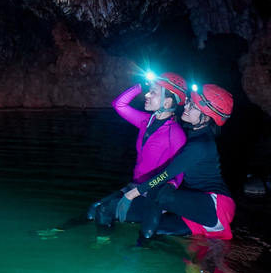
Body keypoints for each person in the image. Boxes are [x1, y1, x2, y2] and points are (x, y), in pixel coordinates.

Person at [91, 81, 236, 242]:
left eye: (193, 106)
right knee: (157, 229)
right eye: (188, 101)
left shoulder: (201, 144)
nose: (186, 106)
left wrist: (131, 195)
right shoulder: (194, 133)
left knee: (156, 193)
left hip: (214, 206)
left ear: (207, 116)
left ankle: (140, 247)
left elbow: (168, 173)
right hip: (198, 209)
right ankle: (143, 247)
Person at [112, 71, 188, 187]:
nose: (147, 95)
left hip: (152, 191)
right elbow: (119, 104)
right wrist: (140, 87)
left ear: (167, 101)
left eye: (153, 92)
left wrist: (168, 187)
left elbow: (179, 169)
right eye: (149, 91)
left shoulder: (175, 133)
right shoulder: (145, 121)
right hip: (135, 185)